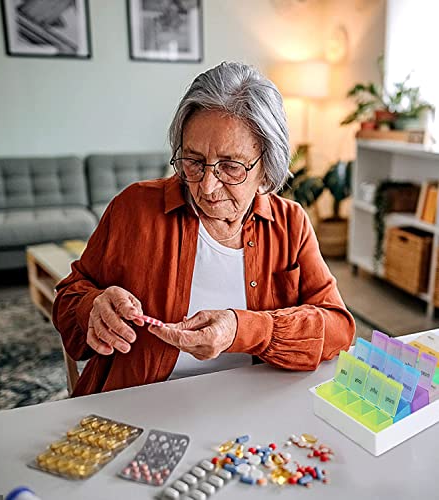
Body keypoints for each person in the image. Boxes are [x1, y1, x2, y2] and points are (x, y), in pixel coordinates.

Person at [52, 61, 355, 397]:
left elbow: (338, 328)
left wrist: (245, 328)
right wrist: (91, 307)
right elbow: (69, 297)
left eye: (230, 166)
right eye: (194, 161)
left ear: (266, 170)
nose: (207, 187)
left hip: (249, 404)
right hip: (137, 402)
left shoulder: (290, 223)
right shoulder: (133, 207)